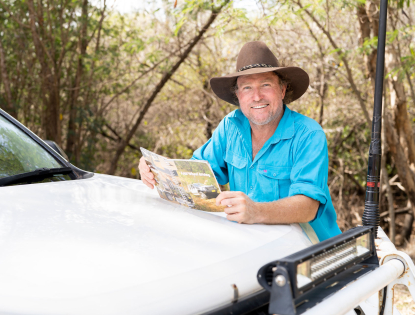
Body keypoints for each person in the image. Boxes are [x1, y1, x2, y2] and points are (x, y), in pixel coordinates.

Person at [139, 41, 341, 242]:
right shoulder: (231, 126)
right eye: (247, 87)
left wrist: (257, 211)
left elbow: (309, 206)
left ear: (282, 90)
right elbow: (195, 175)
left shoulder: (308, 134)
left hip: (309, 250)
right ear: (237, 95)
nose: (257, 96)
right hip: (250, 243)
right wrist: (156, 170)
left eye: (266, 85)